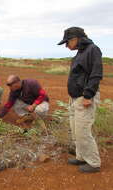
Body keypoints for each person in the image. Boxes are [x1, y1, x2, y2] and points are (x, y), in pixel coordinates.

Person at [58, 27, 103, 173]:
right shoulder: (80, 52)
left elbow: (96, 74)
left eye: (67, 42)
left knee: (83, 131)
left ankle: (94, 163)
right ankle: (81, 157)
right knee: (75, 130)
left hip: (85, 97)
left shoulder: (93, 50)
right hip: (75, 98)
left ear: (76, 38)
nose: (66, 45)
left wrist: (88, 95)